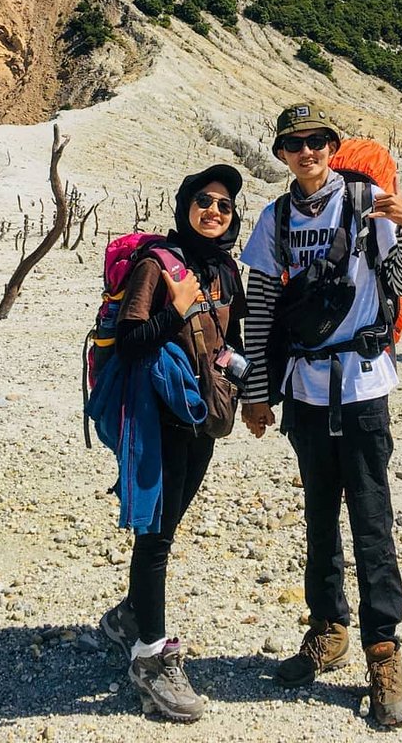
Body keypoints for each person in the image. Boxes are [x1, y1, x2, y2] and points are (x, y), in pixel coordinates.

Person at [239, 103, 402, 728]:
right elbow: (260, 312)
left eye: (317, 141)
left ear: (329, 146)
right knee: (319, 516)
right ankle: (327, 626)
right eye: (295, 143)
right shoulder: (275, 220)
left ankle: (382, 649)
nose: (307, 151)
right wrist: (257, 393)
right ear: (283, 154)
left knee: (372, 518)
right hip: (308, 390)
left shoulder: (369, 199)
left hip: (366, 383)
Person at [98, 164, 246, 723]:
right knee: (155, 538)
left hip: (200, 421)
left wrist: (242, 377)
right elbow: (133, 342)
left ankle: (131, 617)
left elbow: (228, 340)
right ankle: (151, 658)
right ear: (184, 205)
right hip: (157, 420)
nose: (213, 211)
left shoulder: (225, 270)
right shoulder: (155, 266)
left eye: (224, 205)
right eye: (203, 201)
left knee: (168, 528)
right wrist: (178, 310)